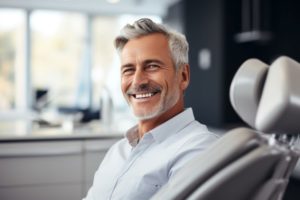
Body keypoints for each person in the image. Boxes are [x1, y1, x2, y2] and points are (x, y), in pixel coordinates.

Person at [83, 18, 218, 200]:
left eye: (152, 66)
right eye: (128, 70)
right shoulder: (118, 150)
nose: (138, 81)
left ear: (183, 76)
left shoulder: (199, 150)